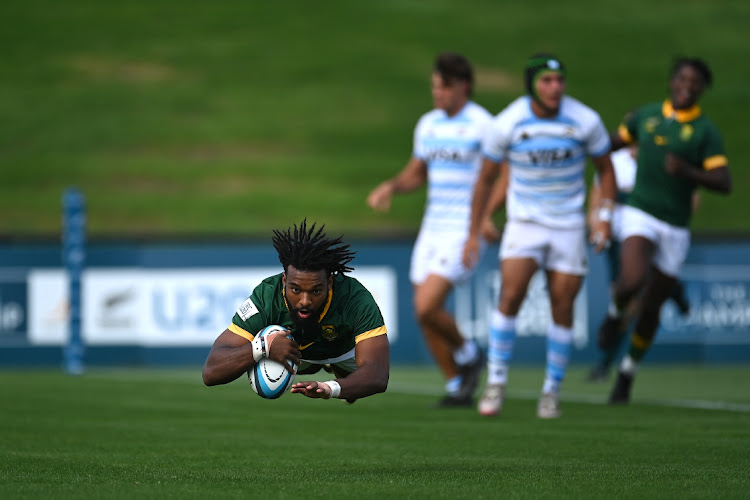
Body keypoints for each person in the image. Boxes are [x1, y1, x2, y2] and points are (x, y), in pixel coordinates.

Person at [463, 53, 617, 418]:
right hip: (525, 224)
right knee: (510, 297)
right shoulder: (509, 122)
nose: (555, 87)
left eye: (559, 80)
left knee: (563, 307)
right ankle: (496, 384)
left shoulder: (585, 120)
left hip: (567, 226)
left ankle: (551, 392)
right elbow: (485, 178)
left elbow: (606, 171)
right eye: (546, 80)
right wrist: (477, 226)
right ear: (531, 83)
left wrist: (605, 217)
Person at [597, 57, 732, 404]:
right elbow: (611, 142)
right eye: (682, 79)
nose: (687, 86)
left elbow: (723, 181)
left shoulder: (705, 132)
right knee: (630, 280)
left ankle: (627, 372)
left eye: (695, 82)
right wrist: (581, 145)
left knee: (653, 307)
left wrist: (689, 172)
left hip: (675, 226)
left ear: (702, 89)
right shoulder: (646, 115)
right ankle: (614, 316)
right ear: (671, 82)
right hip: (640, 212)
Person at [367, 52, 498, 407]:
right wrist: (391, 186)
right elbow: (416, 174)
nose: (437, 94)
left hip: (463, 230)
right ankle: (457, 384)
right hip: (432, 228)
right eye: (434, 87)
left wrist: (484, 218)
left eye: (444, 87)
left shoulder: (483, 125)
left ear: (463, 87)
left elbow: (500, 176)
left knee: (427, 306)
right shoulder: (428, 125)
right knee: (421, 313)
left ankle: (470, 356)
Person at [202, 219, 390, 403]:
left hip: (344, 350)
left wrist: (330, 388)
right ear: (284, 281)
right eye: (296, 290)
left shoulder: (354, 297)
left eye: (316, 291)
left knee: (351, 393)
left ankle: (336, 369)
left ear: (330, 283)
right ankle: (324, 367)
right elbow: (211, 372)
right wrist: (262, 348)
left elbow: (378, 375)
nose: (305, 301)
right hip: (296, 354)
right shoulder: (267, 298)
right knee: (266, 346)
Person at [586, 146, 695, 382]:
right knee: (624, 295)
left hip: (647, 238)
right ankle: (673, 288)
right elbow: (597, 200)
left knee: (636, 303)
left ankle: (607, 364)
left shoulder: (663, 161)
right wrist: (595, 225)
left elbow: (689, 196)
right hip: (617, 241)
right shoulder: (613, 163)